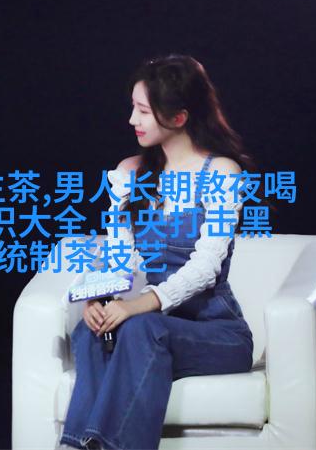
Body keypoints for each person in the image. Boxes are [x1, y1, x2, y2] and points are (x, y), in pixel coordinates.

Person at [59, 54, 256, 450]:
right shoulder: (129, 171)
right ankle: (77, 445)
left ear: (179, 117)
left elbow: (205, 268)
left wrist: (137, 306)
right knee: (92, 331)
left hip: (217, 334)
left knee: (140, 327)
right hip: (151, 329)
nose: (132, 119)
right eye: (134, 107)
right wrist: (98, 299)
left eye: (144, 111)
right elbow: (119, 257)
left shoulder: (221, 173)